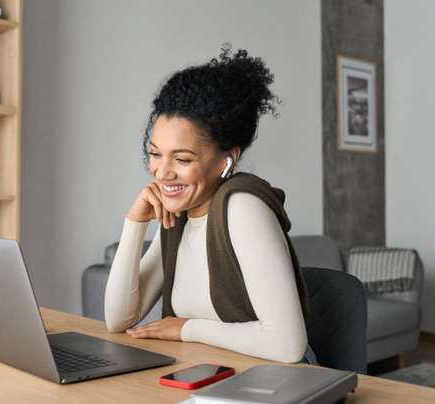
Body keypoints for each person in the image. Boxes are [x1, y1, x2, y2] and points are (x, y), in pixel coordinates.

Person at [104, 45, 316, 364]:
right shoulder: (178, 215)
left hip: (274, 383)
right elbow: (118, 321)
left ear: (227, 160)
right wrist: (134, 223)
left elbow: (287, 345)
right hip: (208, 376)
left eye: (183, 158)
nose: (162, 172)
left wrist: (188, 329)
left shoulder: (243, 206)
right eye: (155, 153)